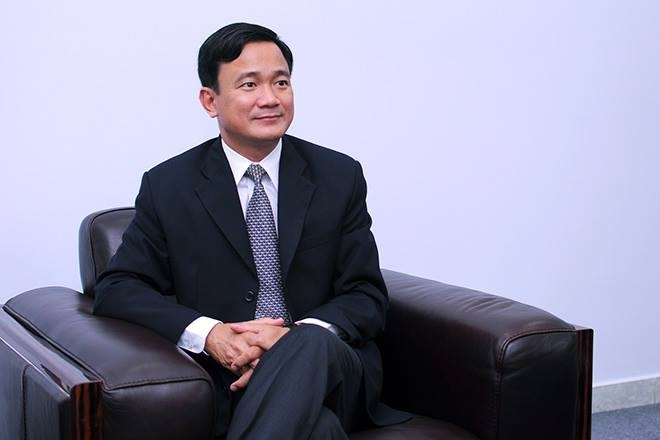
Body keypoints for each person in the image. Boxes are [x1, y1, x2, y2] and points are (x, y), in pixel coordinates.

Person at [93, 22, 407, 439]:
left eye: (281, 82)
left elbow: (365, 294)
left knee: (308, 343)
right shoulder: (169, 186)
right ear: (210, 101)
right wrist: (211, 334)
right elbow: (118, 288)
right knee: (319, 430)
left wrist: (287, 340)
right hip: (230, 376)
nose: (270, 98)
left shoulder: (338, 176)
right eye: (249, 85)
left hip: (334, 369)